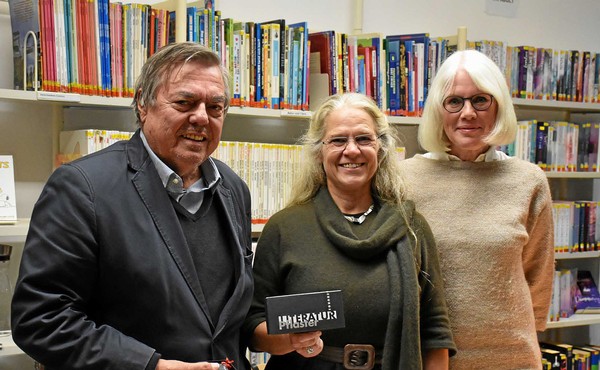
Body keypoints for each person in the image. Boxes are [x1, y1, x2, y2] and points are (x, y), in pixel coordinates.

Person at [11, 42, 254, 370]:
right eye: (184, 102)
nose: (201, 117)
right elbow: (41, 320)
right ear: (143, 103)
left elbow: (225, 321)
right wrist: (151, 366)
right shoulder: (83, 187)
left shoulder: (233, 189)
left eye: (215, 107)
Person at [243, 92, 456, 370]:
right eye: (339, 140)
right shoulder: (285, 227)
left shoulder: (411, 226)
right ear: (320, 150)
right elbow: (253, 325)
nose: (352, 150)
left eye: (364, 139)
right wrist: (289, 340)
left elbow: (434, 331)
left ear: (380, 148)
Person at [399, 49, 554, 368]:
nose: (467, 113)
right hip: (430, 356)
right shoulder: (402, 179)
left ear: (499, 107)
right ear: (438, 111)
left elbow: (538, 276)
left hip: (511, 356)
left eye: (480, 100)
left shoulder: (528, 180)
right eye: (454, 101)